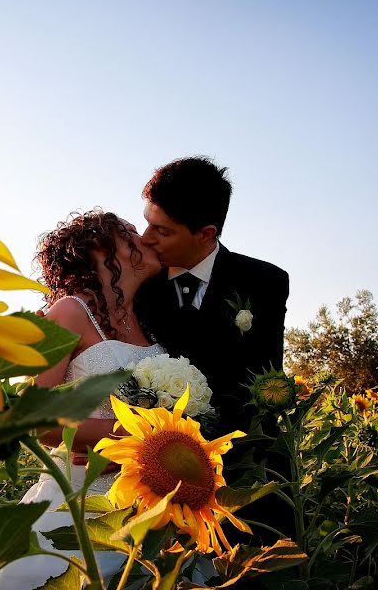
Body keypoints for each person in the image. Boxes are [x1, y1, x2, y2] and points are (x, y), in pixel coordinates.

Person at [0, 209, 165, 589]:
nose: (143, 238)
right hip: (80, 499)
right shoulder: (69, 312)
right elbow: (36, 418)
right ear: (98, 248)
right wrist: (140, 436)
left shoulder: (150, 318)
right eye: (128, 233)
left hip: (147, 500)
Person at [132, 156, 292, 542]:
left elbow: (260, 377)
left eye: (162, 230)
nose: (145, 238)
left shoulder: (265, 281)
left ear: (206, 233)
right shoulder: (137, 286)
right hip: (155, 471)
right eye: (147, 222)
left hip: (246, 468)